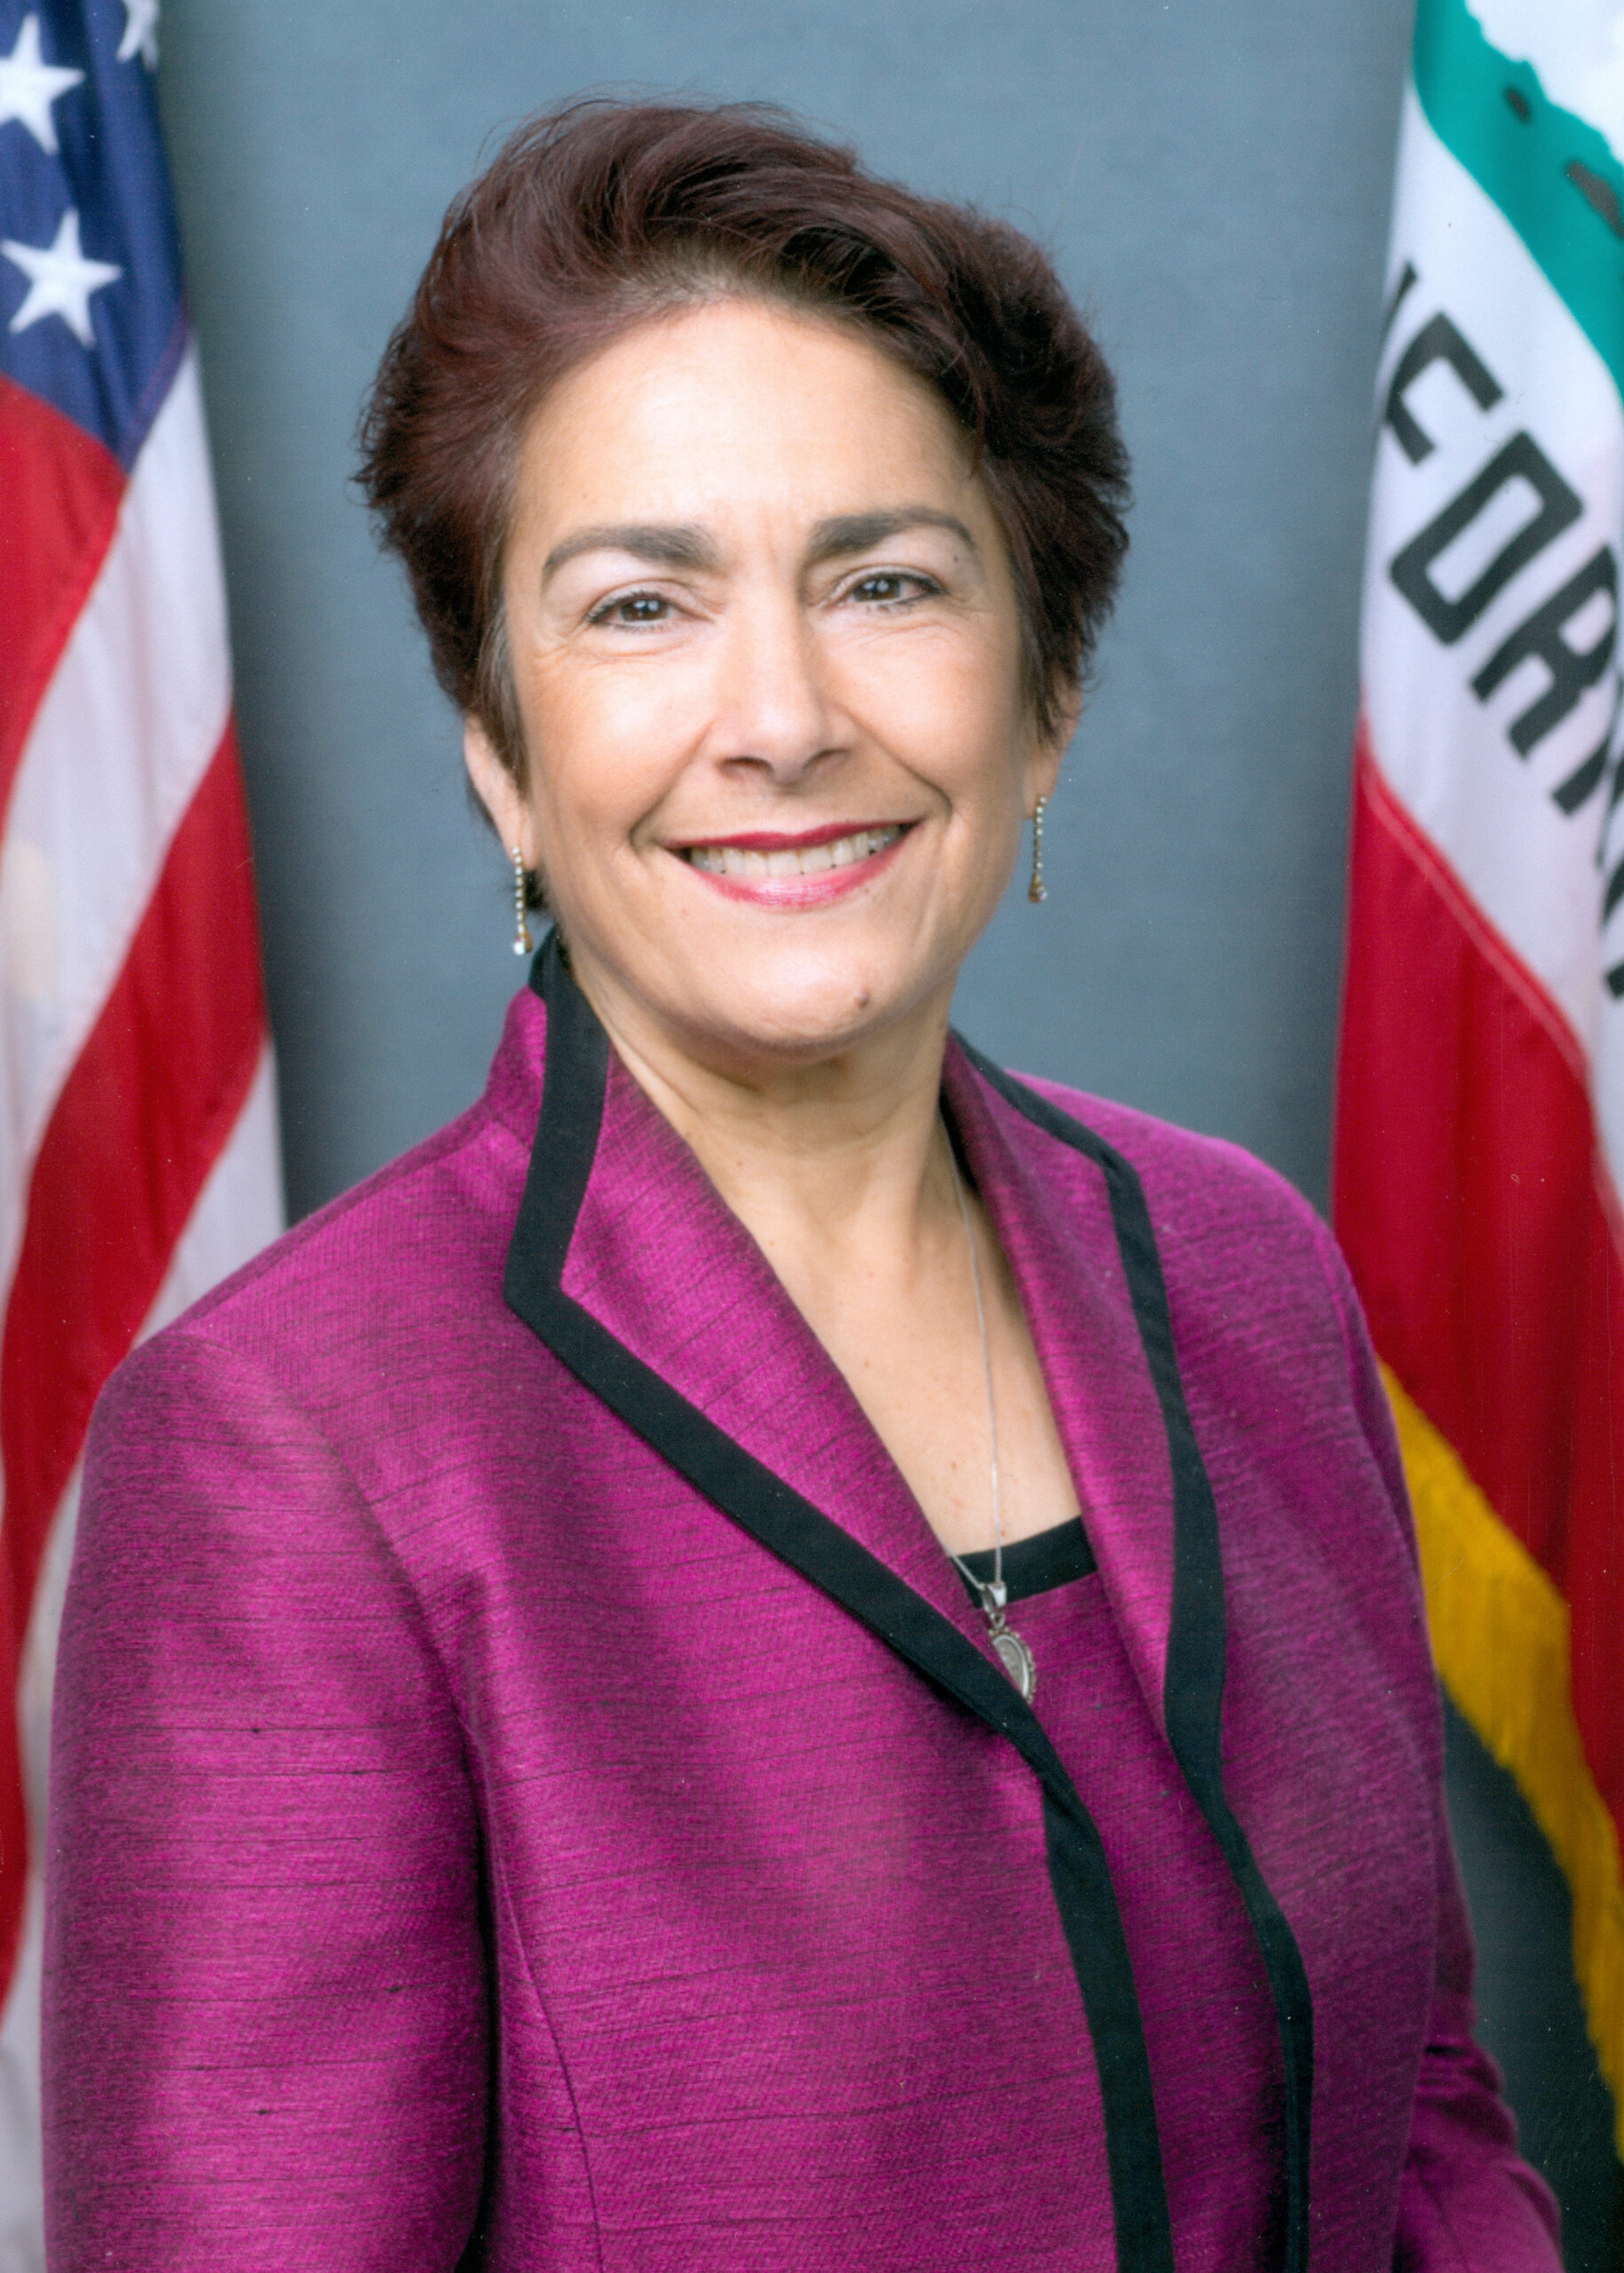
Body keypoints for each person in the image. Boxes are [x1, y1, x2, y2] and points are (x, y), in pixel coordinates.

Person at [44, 100, 1561, 2273]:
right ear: (503, 751)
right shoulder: (289, 1449)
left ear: (1045, 696)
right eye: (641, 603)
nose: (780, 715)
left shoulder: (1245, 1268)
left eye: (885, 582)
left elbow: (1420, 2106)